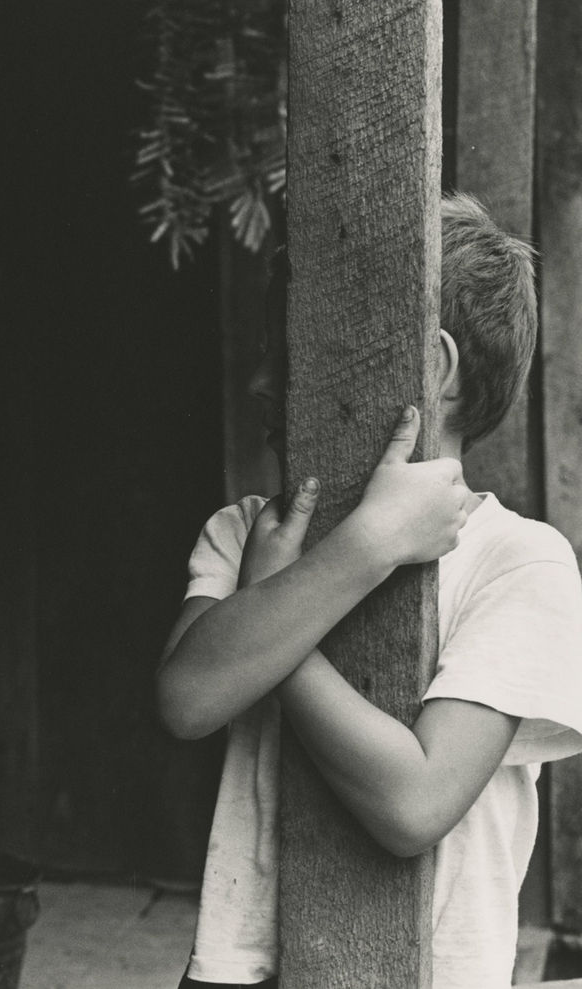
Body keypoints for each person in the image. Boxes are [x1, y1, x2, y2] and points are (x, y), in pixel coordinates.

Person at [156, 193, 582, 989]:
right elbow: (187, 698)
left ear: (435, 370)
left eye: (294, 351)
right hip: (240, 971)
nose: (259, 382)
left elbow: (415, 804)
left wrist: (304, 582)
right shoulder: (247, 528)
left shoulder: (522, 564)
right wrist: (359, 550)